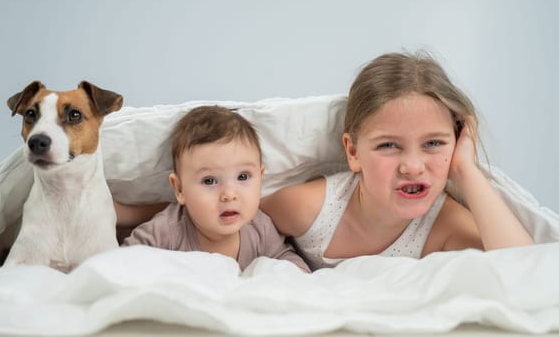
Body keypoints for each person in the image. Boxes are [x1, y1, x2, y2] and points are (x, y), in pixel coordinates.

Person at [260, 51, 534, 270]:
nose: (413, 167)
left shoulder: (445, 225)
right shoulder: (309, 208)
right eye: (389, 145)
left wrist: (465, 169)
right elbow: (236, 232)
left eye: (433, 143)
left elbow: (523, 271)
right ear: (353, 152)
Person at [120, 105, 310, 272]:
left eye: (243, 177)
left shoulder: (260, 228)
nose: (229, 195)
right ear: (179, 189)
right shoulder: (165, 232)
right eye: (209, 181)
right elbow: (119, 265)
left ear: (260, 178)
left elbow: (288, 261)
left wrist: (296, 276)